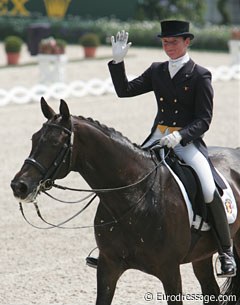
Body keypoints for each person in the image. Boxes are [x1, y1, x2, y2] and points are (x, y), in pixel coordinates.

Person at [87, 20, 236, 278]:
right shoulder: (157, 70)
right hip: (157, 138)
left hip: (186, 143)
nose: (169, 47)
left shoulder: (200, 75)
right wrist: (117, 63)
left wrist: (181, 136)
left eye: (174, 42)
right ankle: (109, 248)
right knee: (124, 177)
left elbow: (204, 120)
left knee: (209, 187)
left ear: (187, 41)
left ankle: (225, 252)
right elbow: (125, 91)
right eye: (165, 43)